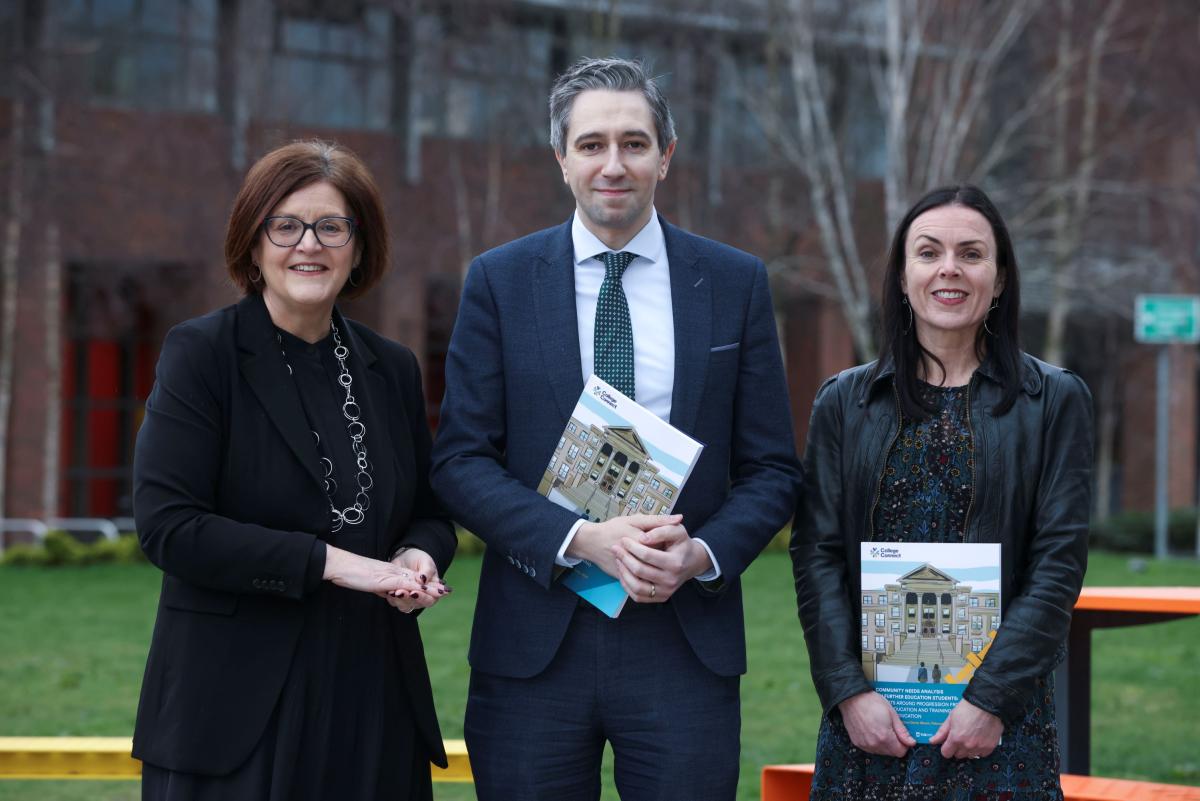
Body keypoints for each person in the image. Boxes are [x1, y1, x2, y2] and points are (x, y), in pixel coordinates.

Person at [430, 57, 801, 801]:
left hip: (683, 642)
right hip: (535, 644)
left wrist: (701, 553)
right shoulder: (498, 282)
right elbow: (461, 460)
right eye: (592, 143)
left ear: (666, 156)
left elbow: (773, 470)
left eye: (634, 143)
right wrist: (580, 540)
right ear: (561, 158)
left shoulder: (734, 282)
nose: (613, 163)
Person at [131, 140, 456, 801]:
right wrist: (337, 563)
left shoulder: (390, 367)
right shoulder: (202, 355)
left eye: (332, 226)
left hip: (372, 695)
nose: (309, 244)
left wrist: (419, 553)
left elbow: (429, 508)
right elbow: (169, 527)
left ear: (359, 248)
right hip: (233, 712)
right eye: (286, 225)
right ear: (253, 246)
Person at [791, 184, 1092, 800]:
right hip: (871, 726)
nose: (949, 269)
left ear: (1000, 278)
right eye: (928, 252)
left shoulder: (1055, 400)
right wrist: (847, 692)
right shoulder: (844, 402)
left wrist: (990, 700)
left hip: (999, 725)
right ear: (903, 278)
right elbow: (816, 554)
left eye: (971, 253)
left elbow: (1058, 563)